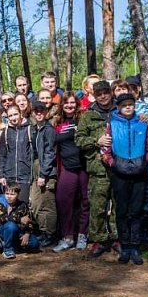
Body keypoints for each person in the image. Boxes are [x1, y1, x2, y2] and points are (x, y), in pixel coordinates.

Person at [102, 94, 148, 265]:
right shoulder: (112, 124)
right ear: (118, 107)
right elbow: (105, 149)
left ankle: (135, 247)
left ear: (134, 106)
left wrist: (147, 161)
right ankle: (124, 246)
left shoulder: (142, 124)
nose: (127, 107)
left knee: (137, 210)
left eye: (130, 104)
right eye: (124, 105)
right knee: (122, 211)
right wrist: (112, 162)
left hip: (140, 173)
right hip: (120, 174)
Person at [76, 80, 117, 257]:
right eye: (99, 93)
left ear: (110, 92)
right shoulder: (88, 115)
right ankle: (99, 240)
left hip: (119, 167)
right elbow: (78, 139)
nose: (103, 96)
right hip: (97, 168)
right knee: (97, 206)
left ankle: (117, 238)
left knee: (118, 205)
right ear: (95, 95)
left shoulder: (120, 111)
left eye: (106, 92)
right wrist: (96, 141)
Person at [52, 93, 89, 252]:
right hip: (67, 168)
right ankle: (67, 237)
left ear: (77, 104)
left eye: (72, 103)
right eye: (66, 103)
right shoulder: (57, 122)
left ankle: (82, 234)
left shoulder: (83, 119)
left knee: (85, 201)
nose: (69, 106)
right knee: (63, 200)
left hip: (84, 167)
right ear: (62, 105)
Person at [30, 102, 58, 245]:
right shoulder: (35, 129)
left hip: (47, 172)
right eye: (36, 111)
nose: (39, 113)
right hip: (36, 170)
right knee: (36, 203)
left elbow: (50, 153)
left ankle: (50, 234)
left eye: (42, 111)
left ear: (46, 112)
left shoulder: (49, 130)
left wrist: (43, 174)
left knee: (47, 204)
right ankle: (43, 230)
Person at [0, 105, 35, 203]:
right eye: (10, 116)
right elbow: (2, 155)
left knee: (23, 206)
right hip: (9, 176)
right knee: (10, 207)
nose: (13, 118)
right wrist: (1, 175)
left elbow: (33, 154)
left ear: (20, 114)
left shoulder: (29, 129)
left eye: (15, 114)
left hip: (24, 176)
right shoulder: (5, 132)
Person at [0, 184, 39, 259]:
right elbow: (2, 218)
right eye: (7, 193)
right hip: (2, 229)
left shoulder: (22, 205)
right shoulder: (0, 203)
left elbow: (29, 221)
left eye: (12, 194)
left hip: (18, 230)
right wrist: (20, 219)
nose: (9, 196)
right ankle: (7, 249)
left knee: (34, 243)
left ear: (18, 194)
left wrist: (27, 233)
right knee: (11, 225)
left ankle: (14, 245)